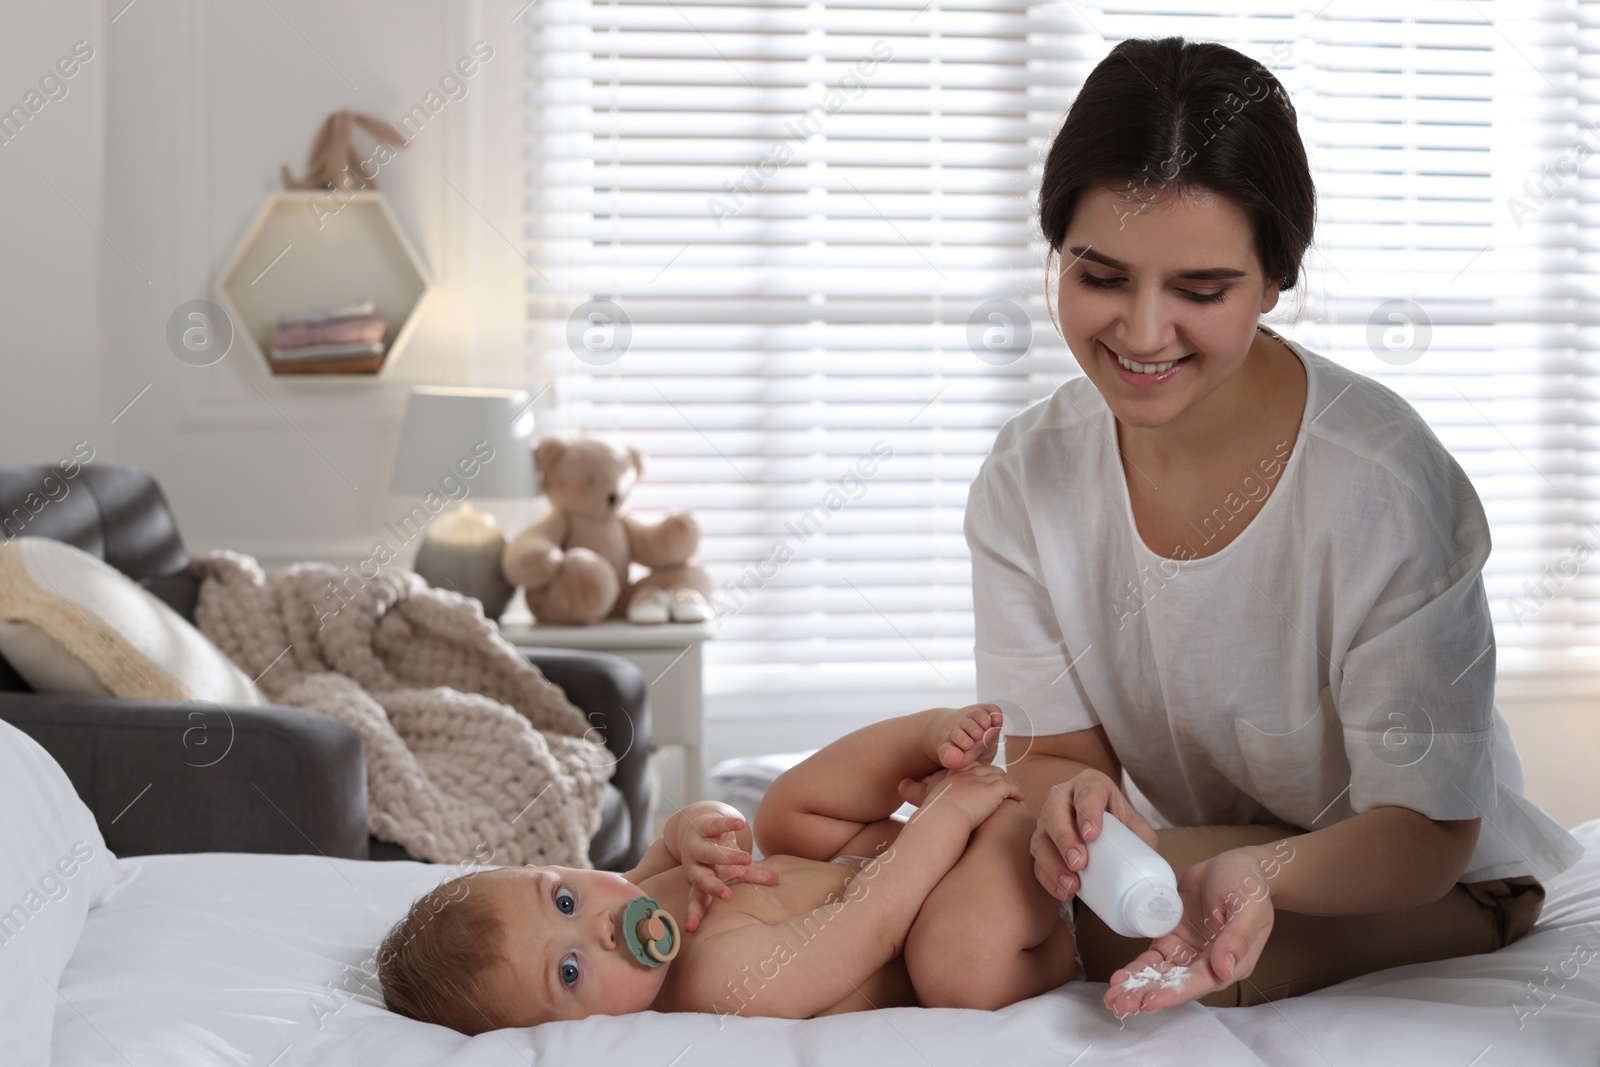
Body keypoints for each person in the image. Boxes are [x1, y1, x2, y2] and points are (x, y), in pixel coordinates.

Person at [963, 35, 1585, 1015]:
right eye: (1101, 275)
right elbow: (1060, 757)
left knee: (1012, 920)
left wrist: (1266, 873)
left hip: (1431, 868)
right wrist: (1072, 806)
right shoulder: (1026, 473)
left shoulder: (1383, 487)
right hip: (1211, 852)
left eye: (1200, 291)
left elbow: (1426, 828)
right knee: (981, 873)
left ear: (1274, 280)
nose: (1141, 331)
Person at [375, 703, 1074, 1031]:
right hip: (934, 904)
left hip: (892, 852)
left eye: (562, 901)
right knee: (957, 966)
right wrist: (946, 817)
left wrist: (697, 828)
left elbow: (688, 837)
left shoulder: (635, 895)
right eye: (570, 971)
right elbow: (873, 922)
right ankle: (1061, 946)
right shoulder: (716, 985)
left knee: (781, 814)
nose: (601, 929)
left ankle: (928, 736)